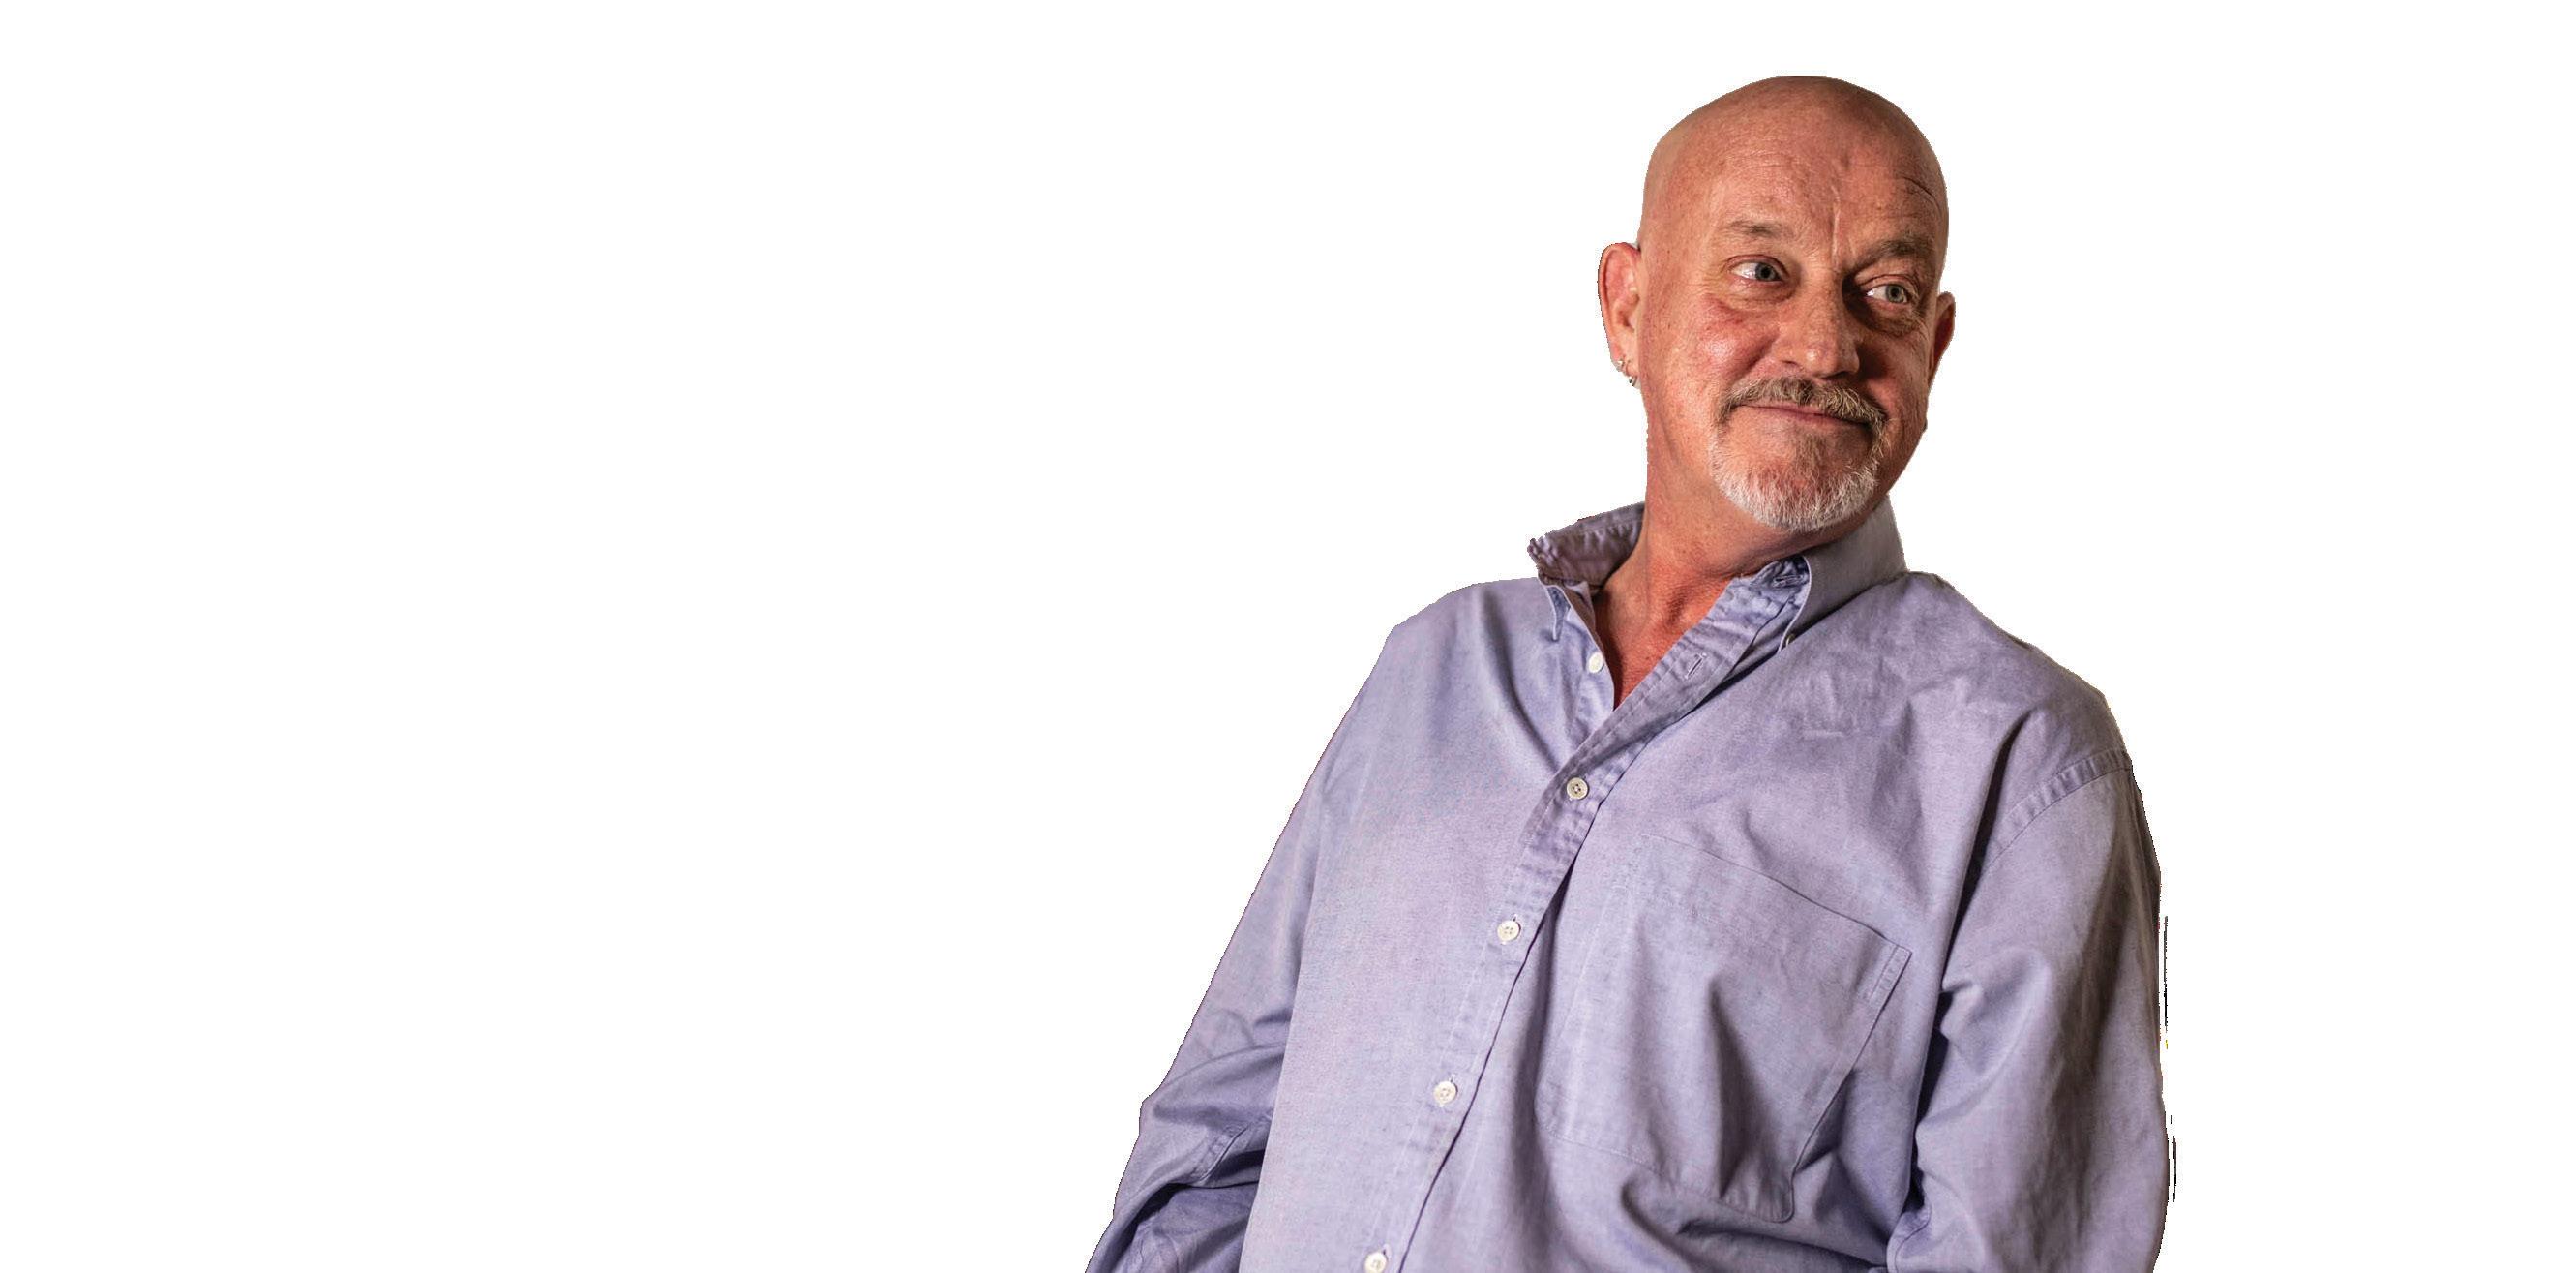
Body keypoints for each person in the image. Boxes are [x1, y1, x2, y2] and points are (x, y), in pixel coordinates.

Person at [1086, 76, 2169, 1272]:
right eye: (1761, 272)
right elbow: (1214, 1142)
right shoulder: (1435, 670)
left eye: (1887, 292)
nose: (1825, 344)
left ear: (1936, 346)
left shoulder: (2017, 766)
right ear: (1626, 307)